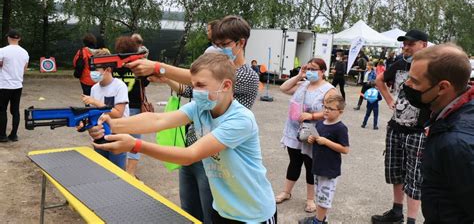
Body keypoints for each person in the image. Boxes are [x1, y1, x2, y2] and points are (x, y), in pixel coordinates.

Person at [88, 54, 277, 223]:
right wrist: (111, 124)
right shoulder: (200, 107)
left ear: (226, 85)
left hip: (254, 214)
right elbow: (157, 119)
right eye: (193, 85)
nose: (195, 91)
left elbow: (190, 155)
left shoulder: (241, 119)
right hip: (223, 210)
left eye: (201, 85)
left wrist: (135, 145)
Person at [126, 15, 259, 223]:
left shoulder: (245, 75)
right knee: (188, 212)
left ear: (241, 43)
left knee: (209, 215)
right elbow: (190, 89)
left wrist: (158, 67)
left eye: (224, 44)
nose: (218, 49)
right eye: (215, 44)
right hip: (192, 149)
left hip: (215, 158)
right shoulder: (212, 76)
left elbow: (191, 78)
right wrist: (166, 79)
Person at [403, 43, 474, 223]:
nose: (407, 85)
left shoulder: (455, 143)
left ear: (442, 87)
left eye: (415, 81)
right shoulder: (453, 112)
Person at [372, 30, 429, 224]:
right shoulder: (400, 64)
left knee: (415, 177)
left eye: (411, 44)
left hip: (419, 131)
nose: (406, 47)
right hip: (396, 127)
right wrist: (388, 99)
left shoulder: (432, 67)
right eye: (404, 43)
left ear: (424, 45)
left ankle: (411, 220)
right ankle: (396, 213)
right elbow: (379, 79)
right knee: (395, 171)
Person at [276, 58, 336, 213]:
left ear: (322, 72)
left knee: (310, 166)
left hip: (311, 134)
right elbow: (283, 88)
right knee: (294, 162)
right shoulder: (302, 84)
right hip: (294, 131)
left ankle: (310, 199)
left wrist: (312, 116)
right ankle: (286, 192)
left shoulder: (329, 90)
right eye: (308, 68)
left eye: (313, 69)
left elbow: (333, 111)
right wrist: (299, 75)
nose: (310, 71)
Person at [299, 94, 349, 224]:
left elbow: (345, 149)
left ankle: (318, 221)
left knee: (324, 197)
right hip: (318, 166)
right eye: (325, 107)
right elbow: (316, 139)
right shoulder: (320, 124)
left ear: (340, 112)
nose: (326, 110)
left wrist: (326, 142)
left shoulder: (340, 128)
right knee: (319, 195)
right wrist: (311, 139)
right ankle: (321, 218)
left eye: (331, 108)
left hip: (329, 169)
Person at [81, 51, 129, 170]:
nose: (93, 73)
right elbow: (93, 114)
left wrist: (96, 102)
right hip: (100, 136)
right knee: (101, 171)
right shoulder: (94, 88)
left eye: (96, 69)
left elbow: (118, 114)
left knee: (117, 172)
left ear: (107, 69)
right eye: (92, 69)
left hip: (117, 136)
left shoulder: (120, 86)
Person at [111, 36, 149, 177]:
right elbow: (145, 83)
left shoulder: (113, 65)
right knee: (135, 141)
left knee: (116, 138)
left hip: (116, 108)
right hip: (134, 106)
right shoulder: (138, 65)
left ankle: (116, 170)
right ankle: (130, 173)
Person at [0, 29, 29, 142]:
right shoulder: (25, 52)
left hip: (4, 84)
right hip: (17, 85)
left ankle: (2, 135)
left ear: (8, 38)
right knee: (15, 110)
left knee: (2, 110)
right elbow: (24, 69)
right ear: (19, 39)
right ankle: (14, 134)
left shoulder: (3, 51)